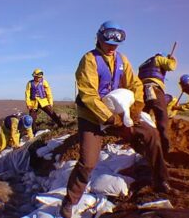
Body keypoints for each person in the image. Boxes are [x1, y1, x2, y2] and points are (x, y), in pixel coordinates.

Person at [60, 21, 176, 218]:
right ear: (98, 38)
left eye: (116, 44)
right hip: (93, 117)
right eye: (108, 43)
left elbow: (135, 84)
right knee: (88, 162)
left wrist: (137, 106)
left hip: (120, 113)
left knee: (151, 134)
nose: (112, 47)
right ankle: (69, 203)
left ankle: (160, 180)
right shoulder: (89, 60)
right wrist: (110, 118)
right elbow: (88, 95)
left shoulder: (122, 59)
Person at [138, 52, 177, 155]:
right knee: (162, 120)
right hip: (154, 90)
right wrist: (172, 59)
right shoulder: (158, 59)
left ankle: (140, 145)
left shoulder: (142, 65)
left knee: (143, 119)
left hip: (142, 92)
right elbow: (170, 66)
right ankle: (165, 149)